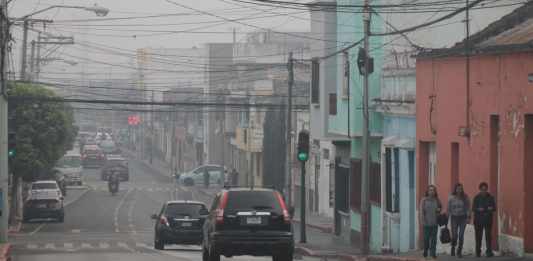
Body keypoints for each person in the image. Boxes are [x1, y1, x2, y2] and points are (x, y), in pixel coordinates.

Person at [472, 182, 496, 258]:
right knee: (478, 237)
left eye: (485, 189)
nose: (484, 191)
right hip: (478, 220)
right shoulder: (476, 197)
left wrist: (491, 208)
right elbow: (473, 208)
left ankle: (489, 252)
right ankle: (478, 252)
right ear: (480, 189)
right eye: (482, 189)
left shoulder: (491, 197)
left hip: (488, 220)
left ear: (487, 189)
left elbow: (494, 208)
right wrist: (479, 209)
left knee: (488, 236)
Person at [448, 183, 471, 258]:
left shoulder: (465, 197)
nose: (459, 190)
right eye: (458, 189)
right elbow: (448, 208)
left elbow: (468, 207)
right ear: (455, 189)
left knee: (461, 235)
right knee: (454, 235)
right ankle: (453, 247)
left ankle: (459, 251)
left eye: (461, 189)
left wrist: (468, 217)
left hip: (463, 218)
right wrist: (446, 217)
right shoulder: (451, 197)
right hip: (454, 218)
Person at [420, 185, 442, 259]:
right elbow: (422, 211)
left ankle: (433, 253)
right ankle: (425, 251)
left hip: (434, 223)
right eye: (430, 190)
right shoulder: (424, 200)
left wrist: (439, 210)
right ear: (428, 191)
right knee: (426, 239)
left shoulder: (437, 200)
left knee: (433, 240)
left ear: (435, 192)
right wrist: (423, 220)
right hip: (426, 223)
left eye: (433, 190)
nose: (432, 192)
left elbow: (440, 207)